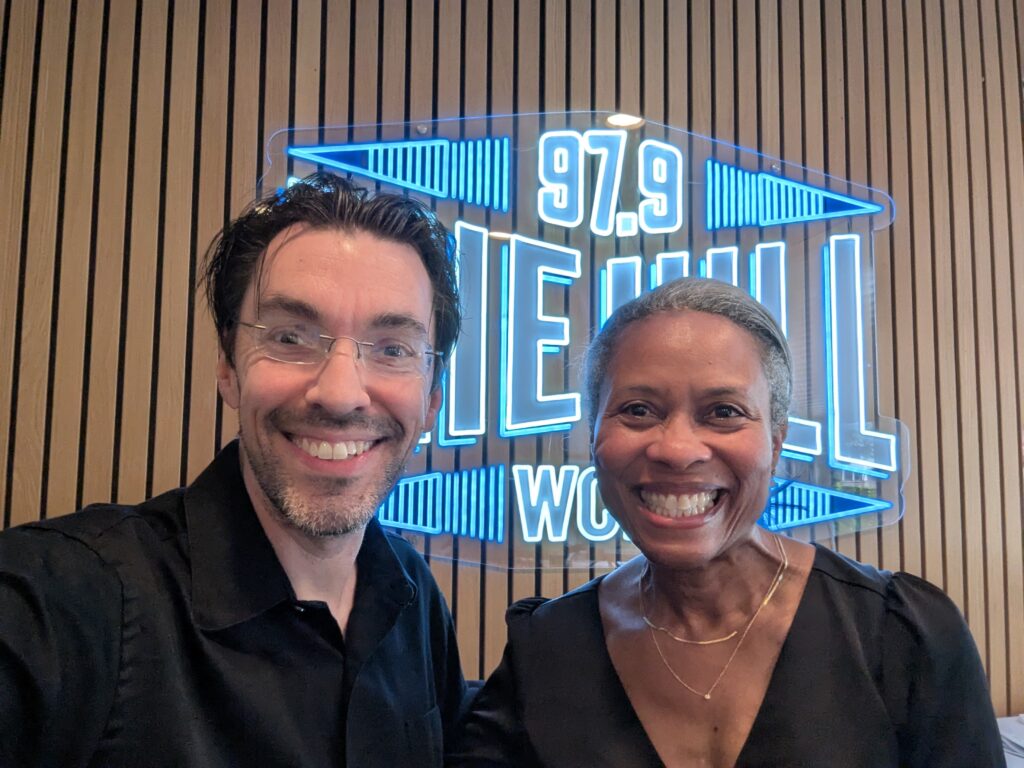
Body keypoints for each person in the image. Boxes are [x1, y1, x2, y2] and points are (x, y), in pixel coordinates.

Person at [0, 173, 467, 767]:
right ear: (228, 366)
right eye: (291, 337)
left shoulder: (414, 600)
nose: (341, 393)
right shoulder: (64, 602)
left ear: (432, 398)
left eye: (393, 348)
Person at [449, 277, 1005, 767]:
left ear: (776, 442)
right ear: (593, 435)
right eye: (638, 410)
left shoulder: (900, 636)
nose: (677, 450)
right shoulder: (546, 650)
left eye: (724, 412)